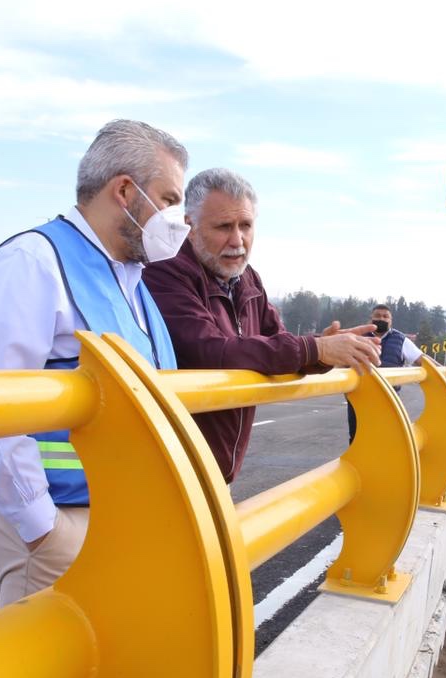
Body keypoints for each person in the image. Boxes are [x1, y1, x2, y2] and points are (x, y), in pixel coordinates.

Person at [0, 119, 188, 678]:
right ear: (126, 191)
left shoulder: (131, 282)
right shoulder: (35, 261)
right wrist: (39, 526)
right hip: (61, 525)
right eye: (170, 198)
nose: (175, 217)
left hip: (119, 530)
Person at [143, 167, 380, 482]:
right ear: (191, 227)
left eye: (246, 225)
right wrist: (315, 348)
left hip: (216, 471)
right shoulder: (166, 271)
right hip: (171, 468)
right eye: (223, 227)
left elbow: (277, 342)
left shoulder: (248, 279)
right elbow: (210, 350)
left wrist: (323, 350)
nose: (237, 240)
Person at [346, 303, 429, 443]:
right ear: (371, 318)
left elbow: (423, 360)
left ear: (391, 320)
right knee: (357, 439)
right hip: (359, 399)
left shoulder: (401, 340)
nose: (381, 319)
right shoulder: (357, 337)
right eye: (377, 316)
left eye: (385, 316)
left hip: (389, 400)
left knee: (386, 439)